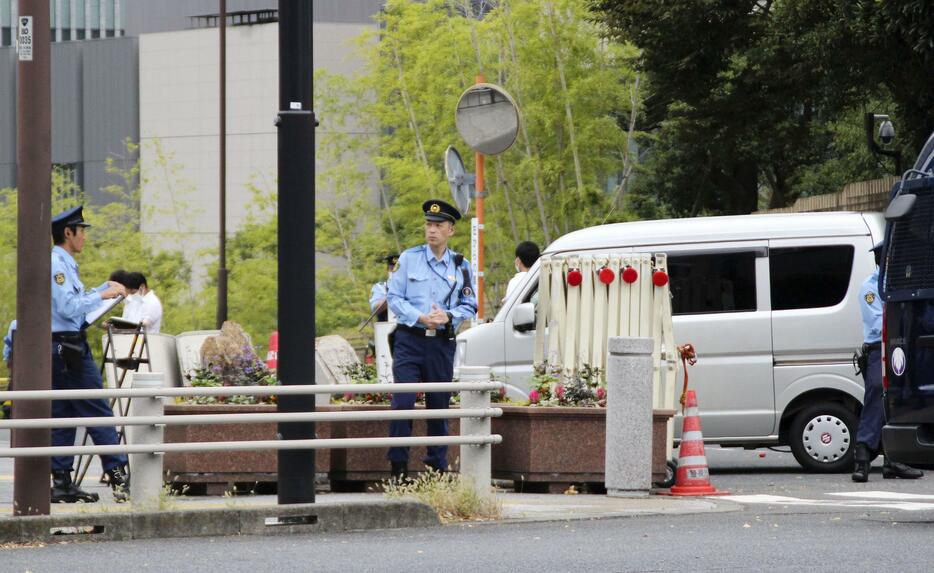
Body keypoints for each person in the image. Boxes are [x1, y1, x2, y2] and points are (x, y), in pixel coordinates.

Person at [386, 199, 478, 479]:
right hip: (409, 340)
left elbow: (470, 304)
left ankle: (436, 468)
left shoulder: (461, 266)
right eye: (428, 224)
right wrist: (420, 317)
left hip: (440, 343)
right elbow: (393, 298)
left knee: (439, 405)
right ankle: (398, 469)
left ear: (451, 230)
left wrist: (448, 316)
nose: (432, 230)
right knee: (403, 404)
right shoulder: (409, 258)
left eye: (438, 225)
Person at [50, 205, 131, 503]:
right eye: (81, 230)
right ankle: (121, 477)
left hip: (60, 344)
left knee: (63, 412)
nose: (84, 236)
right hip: (67, 346)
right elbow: (68, 308)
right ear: (68, 233)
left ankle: (62, 481)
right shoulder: (58, 264)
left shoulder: (64, 263)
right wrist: (102, 294)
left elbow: (74, 301)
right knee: (97, 409)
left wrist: (100, 289)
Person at [852, 240, 923, 482]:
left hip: (903, 347)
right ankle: (862, 455)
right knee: (876, 393)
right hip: (880, 348)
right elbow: (880, 323)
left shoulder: (902, 284)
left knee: (898, 400)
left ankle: (893, 459)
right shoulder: (871, 287)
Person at [369, 255, 399, 323]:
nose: (395, 271)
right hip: (386, 328)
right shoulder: (380, 287)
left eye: (398, 269)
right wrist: (393, 296)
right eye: (392, 269)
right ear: (388, 270)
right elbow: (375, 309)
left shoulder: (413, 287)